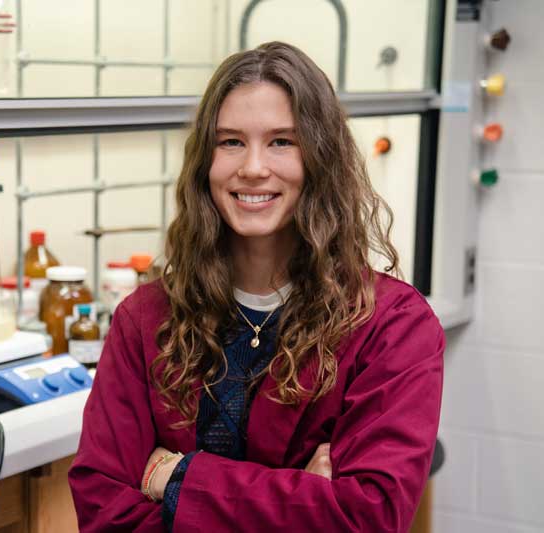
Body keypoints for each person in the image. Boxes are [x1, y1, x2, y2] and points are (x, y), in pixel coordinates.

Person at [69, 41, 444, 533]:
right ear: (205, 160)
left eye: (282, 142)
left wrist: (175, 477)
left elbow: (366, 517)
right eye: (230, 142)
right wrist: (301, 497)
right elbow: (103, 510)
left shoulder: (390, 326)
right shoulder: (147, 317)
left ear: (321, 158)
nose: (252, 167)